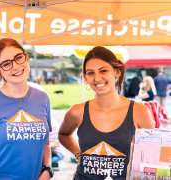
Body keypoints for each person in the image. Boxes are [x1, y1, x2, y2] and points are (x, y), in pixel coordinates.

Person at [58, 46, 154, 180]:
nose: (97, 78)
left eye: (103, 71)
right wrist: (78, 155)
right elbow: (63, 134)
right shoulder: (76, 111)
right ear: (85, 77)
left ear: (117, 72)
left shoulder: (139, 112)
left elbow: (151, 156)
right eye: (91, 73)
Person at [0, 38, 53, 180]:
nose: (16, 66)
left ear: (27, 58)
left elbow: (46, 144)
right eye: (6, 64)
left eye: (18, 58)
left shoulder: (42, 98)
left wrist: (48, 170)